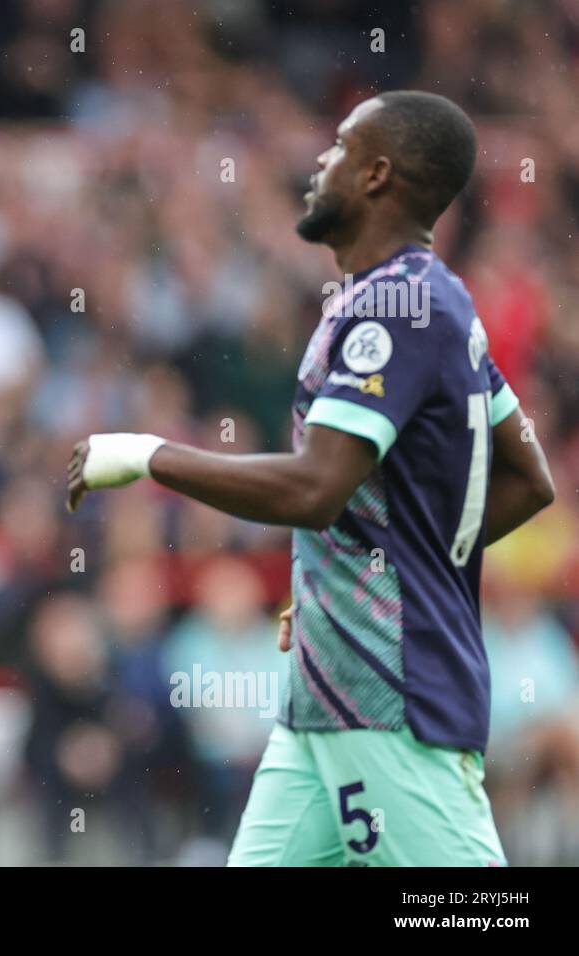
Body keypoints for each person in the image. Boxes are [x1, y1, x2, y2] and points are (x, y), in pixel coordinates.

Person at [67, 91, 555, 866]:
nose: (319, 163)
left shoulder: (395, 307)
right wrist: (355, 573)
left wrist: (149, 455)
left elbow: (314, 487)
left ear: (376, 175)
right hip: (324, 704)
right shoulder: (438, 299)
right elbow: (530, 478)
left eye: (339, 146)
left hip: (390, 697)